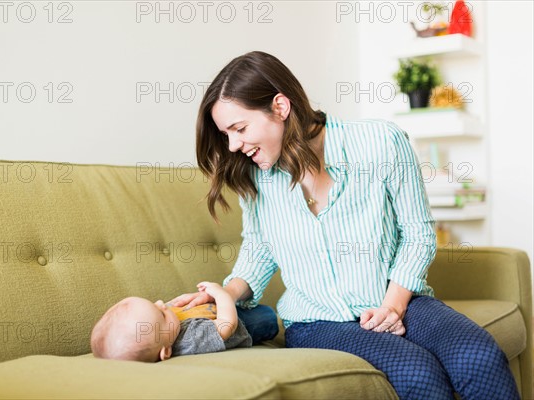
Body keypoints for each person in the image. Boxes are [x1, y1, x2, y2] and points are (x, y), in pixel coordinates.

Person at [169, 51, 521, 400]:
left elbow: (417, 234)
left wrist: (393, 307)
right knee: (417, 373)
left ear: (280, 107)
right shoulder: (257, 176)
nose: (233, 145)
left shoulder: (380, 142)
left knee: (478, 356)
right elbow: (260, 248)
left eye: (239, 128)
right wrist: (224, 294)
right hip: (317, 322)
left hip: (399, 299)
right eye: (225, 134)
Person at [90, 281, 277, 362]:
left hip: (215, 309)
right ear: (166, 351)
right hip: (244, 323)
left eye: (154, 304)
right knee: (268, 316)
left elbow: (172, 311)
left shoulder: (163, 333)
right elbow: (228, 325)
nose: (161, 303)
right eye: (161, 314)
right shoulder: (190, 341)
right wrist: (221, 293)